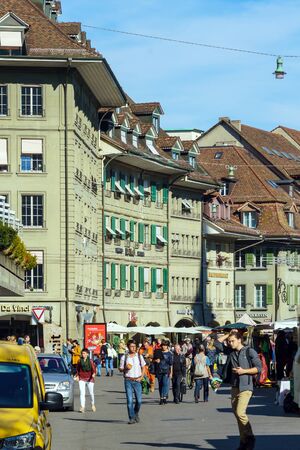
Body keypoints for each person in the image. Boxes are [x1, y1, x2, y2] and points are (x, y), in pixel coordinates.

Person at [215, 331, 262, 450]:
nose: (230, 343)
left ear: (240, 340)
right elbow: (216, 343)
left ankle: (250, 437)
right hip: (234, 386)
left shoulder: (249, 351)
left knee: (240, 412)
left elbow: (258, 368)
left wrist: (244, 371)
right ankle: (243, 441)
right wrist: (228, 334)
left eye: (232, 341)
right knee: (237, 415)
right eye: (229, 341)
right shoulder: (230, 351)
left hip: (246, 387)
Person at [119, 339, 146, 424]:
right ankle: (131, 417)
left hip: (137, 380)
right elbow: (120, 369)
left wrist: (141, 377)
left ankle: (135, 413)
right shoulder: (124, 357)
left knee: (139, 401)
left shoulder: (139, 356)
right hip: (128, 380)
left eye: (134, 346)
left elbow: (143, 367)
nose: (133, 348)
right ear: (128, 347)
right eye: (131, 346)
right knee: (129, 400)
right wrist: (125, 368)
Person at [75, 348, 96, 413]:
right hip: (82, 378)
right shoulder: (79, 361)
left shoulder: (90, 361)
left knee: (91, 393)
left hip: (90, 378)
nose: (83, 354)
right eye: (82, 353)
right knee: (82, 393)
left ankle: (92, 404)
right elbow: (77, 369)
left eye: (84, 353)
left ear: (87, 354)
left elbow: (94, 370)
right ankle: (82, 407)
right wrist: (77, 376)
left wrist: (94, 374)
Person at [154, 340, 173, 405]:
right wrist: (156, 360)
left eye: (165, 345)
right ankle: (162, 398)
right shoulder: (158, 352)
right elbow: (153, 359)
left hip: (166, 371)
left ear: (167, 346)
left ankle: (163, 397)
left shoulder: (169, 354)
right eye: (163, 345)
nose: (164, 347)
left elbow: (171, 364)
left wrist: (171, 373)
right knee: (160, 384)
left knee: (165, 384)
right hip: (159, 370)